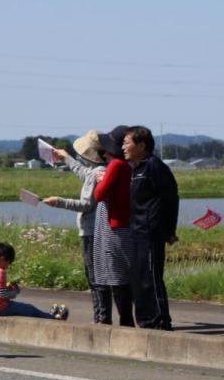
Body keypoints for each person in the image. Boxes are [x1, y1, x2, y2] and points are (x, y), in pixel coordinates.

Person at [43, 131, 112, 324]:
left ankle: (101, 319)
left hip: (91, 231)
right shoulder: (98, 170)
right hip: (96, 230)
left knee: (95, 277)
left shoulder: (97, 173)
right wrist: (66, 158)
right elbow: (83, 173)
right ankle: (101, 318)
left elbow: (86, 205)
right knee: (96, 277)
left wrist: (59, 201)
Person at [123, 126, 179, 330]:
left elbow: (171, 199)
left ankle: (160, 321)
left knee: (150, 278)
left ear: (141, 145)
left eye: (127, 143)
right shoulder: (135, 168)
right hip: (135, 231)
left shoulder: (155, 167)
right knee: (137, 279)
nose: (123, 147)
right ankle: (145, 321)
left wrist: (169, 230)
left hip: (150, 231)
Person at [92, 131, 135, 327]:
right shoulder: (129, 165)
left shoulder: (116, 165)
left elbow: (99, 194)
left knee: (117, 276)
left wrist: (101, 180)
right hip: (124, 224)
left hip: (115, 227)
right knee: (123, 274)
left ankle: (126, 322)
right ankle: (128, 320)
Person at [0, 242, 69, 319]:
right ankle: (52, 317)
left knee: (25, 308)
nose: (8, 266)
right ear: (2, 259)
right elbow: (2, 295)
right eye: (8, 263)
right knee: (28, 309)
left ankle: (48, 315)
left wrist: (7, 287)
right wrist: (14, 292)